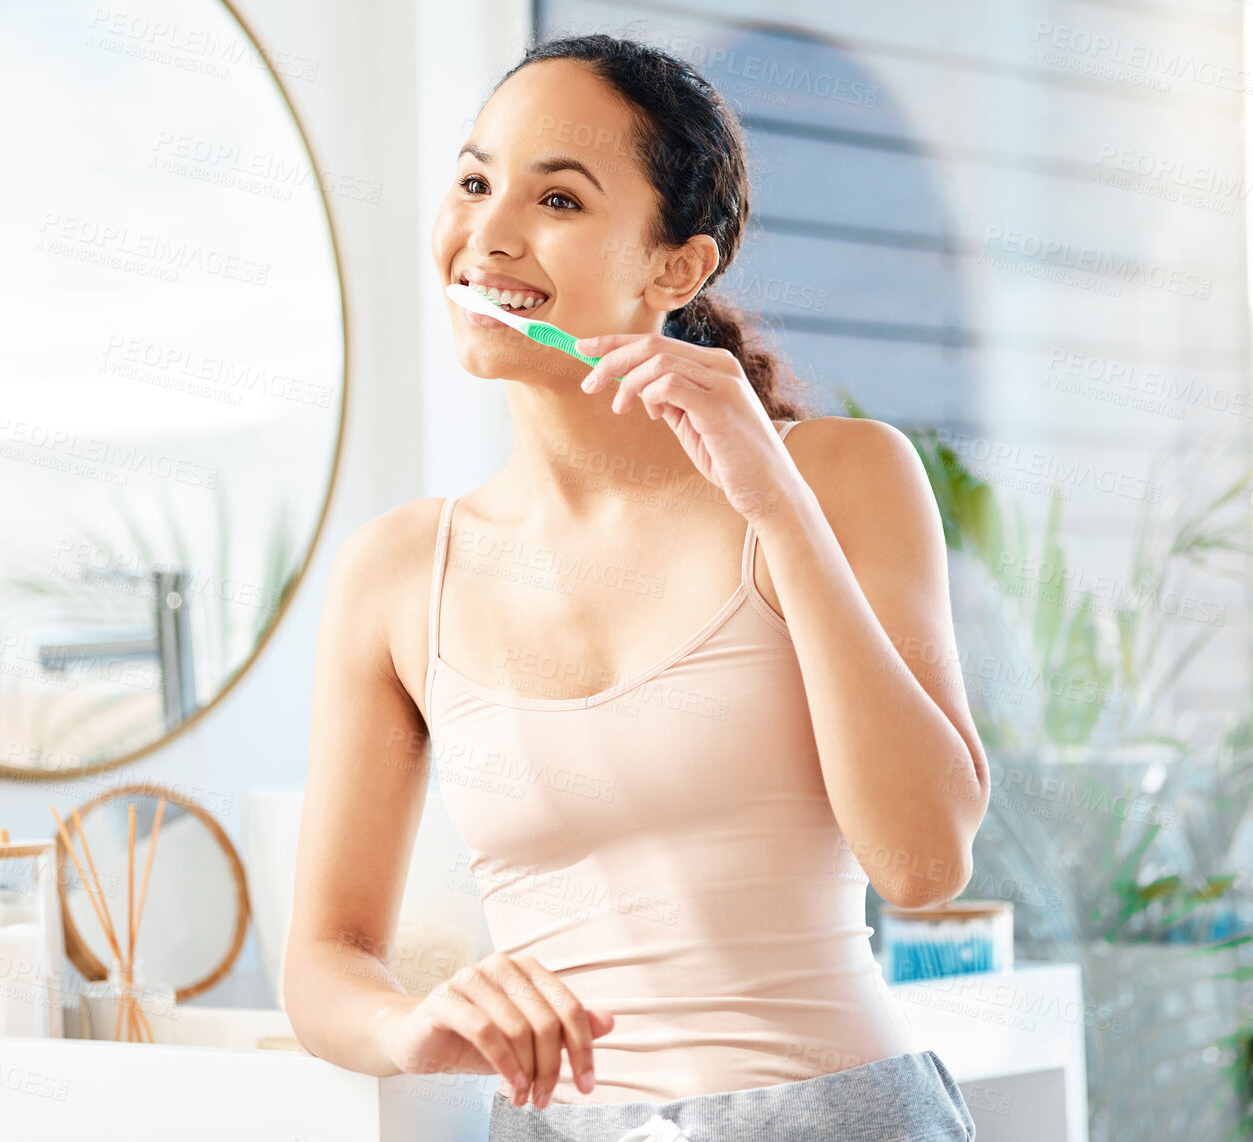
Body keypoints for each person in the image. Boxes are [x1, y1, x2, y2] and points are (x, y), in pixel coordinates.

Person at [284, 32, 988, 1142]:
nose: (489, 234)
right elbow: (325, 957)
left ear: (675, 268)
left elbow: (922, 859)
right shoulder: (395, 574)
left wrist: (775, 508)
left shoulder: (839, 476)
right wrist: (411, 1025)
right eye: (473, 182)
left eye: (557, 200)